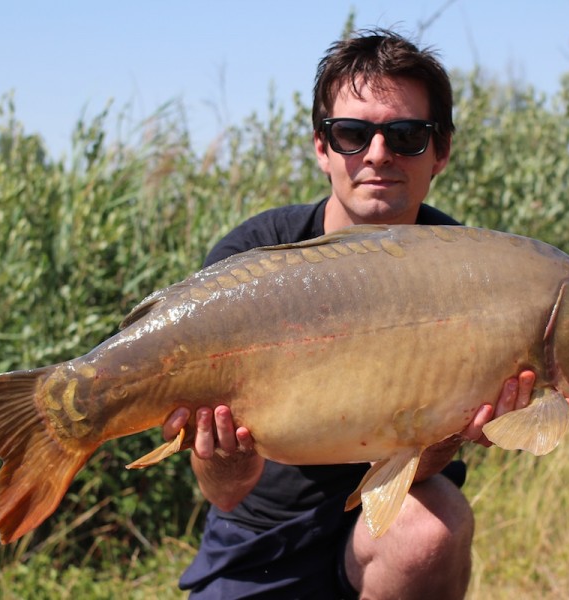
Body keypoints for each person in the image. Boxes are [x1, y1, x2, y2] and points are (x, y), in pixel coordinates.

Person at [161, 28, 539, 599]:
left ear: (441, 151)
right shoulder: (254, 259)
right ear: (322, 146)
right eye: (352, 134)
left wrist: (457, 431)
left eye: (408, 135)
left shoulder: (473, 271)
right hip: (261, 531)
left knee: (430, 530)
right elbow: (225, 495)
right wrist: (225, 458)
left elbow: (424, 461)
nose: (379, 155)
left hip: (391, 520)